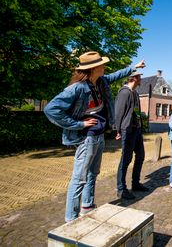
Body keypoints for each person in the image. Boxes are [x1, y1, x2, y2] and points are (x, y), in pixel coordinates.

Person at [44, 51, 145, 222]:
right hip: (86, 138)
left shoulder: (101, 82)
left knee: (93, 174)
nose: (105, 67)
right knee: (79, 178)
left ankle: (88, 206)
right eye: (102, 64)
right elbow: (51, 109)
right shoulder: (77, 88)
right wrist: (79, 124)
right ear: (93, 68)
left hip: (99, 136)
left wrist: (133, 68)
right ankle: (71, 218)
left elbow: (115, 75)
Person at [114, 71, 149, 199]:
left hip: (137, 130)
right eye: (140, 77)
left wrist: (140, 125)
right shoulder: (124, 93)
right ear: (134, 78)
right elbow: (118, 112)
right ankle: (121, 189)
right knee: (126, 159)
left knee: (140, 156)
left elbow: (136, 111)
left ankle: (135, 184)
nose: (141, 80)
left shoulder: (135, 93)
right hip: (127, 130)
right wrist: (117, 130)